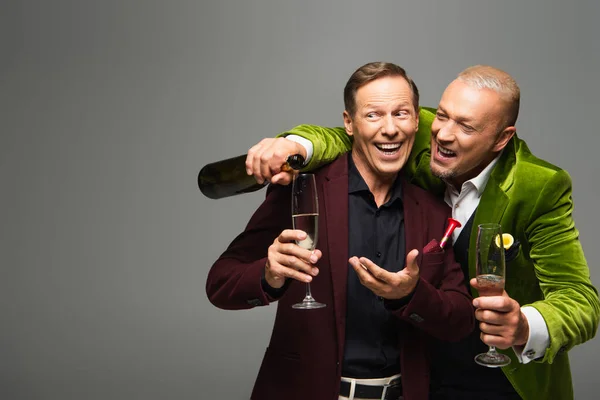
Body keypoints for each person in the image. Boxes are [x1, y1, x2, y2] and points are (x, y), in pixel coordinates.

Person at [244, 65, 600, 400]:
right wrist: (296, 145)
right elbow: (350, 135)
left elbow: (580, 300)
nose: (443, 134)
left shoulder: (539, 186)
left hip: (501, 381)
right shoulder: (416, 128)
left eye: (466, 127)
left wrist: (523, 326)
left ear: (501, 138)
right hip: (423, 376)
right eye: (442, 115)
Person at [206, 62, 475, 400]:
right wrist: (269, 274)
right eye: (373, 115)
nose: (389, 129)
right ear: (349, 123)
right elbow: (220, 284)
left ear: (417, 121)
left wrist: (410, 294)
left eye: (401, 114)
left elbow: (461, 319)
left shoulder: (434, 211)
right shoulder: (301, 191)